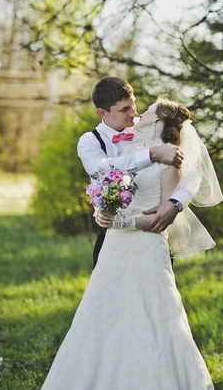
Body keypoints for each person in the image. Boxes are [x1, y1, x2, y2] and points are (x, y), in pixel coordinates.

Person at [26, 97, 223, 390]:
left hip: (144, 253)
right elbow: (107, 177)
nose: (137, 114)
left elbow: (160, 217)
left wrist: (125, 220)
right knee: (101, 324)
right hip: (115, 251)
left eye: (144, 111)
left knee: (153, 327)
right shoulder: (120, 145)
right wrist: (104, 210)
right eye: (130, 109)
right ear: (105, 112)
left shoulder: (172, 159)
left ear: (160, 120)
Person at [77, 77, 195, 268]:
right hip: (111, 235)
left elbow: (193, 171)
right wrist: (152, 154)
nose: (134, 113)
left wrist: (175, 203)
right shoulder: (89, 141)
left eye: (133, 104)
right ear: (102, 113)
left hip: (153, 232)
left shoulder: (151, 125)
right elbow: (100, 168)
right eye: (124, 109)